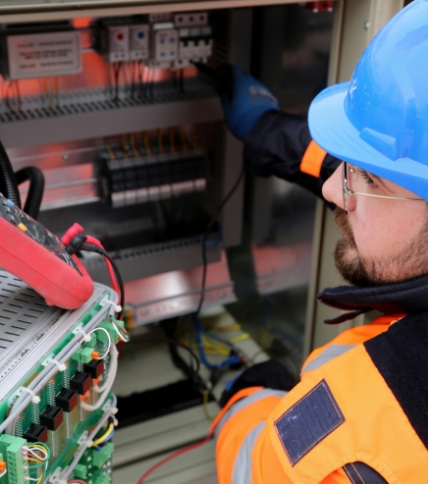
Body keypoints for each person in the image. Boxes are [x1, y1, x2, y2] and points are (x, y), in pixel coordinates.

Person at [212, 0, 428, 482]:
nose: (333, 190)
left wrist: (247, 401)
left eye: (367, 179)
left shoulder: (360, 437)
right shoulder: (409, 197)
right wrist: (269, 132)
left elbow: (256, 467)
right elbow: (375, 171)